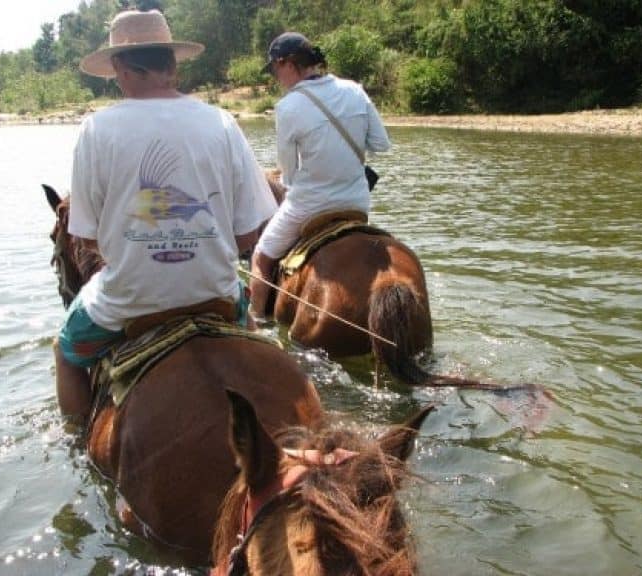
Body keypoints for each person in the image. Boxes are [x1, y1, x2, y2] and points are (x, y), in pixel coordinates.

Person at [54, 10, 277, 418]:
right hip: (217, 297)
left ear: (120, 67)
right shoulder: (222, 123)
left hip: (126, 306)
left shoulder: (96, 129)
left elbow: (85, 238)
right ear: (172, 65)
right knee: (263, 349)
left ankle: (76, 440)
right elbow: (248, 237)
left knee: (66, 353)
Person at [248, 32, 391, 320]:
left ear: (287, 63)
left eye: (275, 69)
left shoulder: (288, 106)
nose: (277, 77)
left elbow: (287, 174)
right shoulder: (354, 90)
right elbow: (381, 144)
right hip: (357, 202)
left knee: (261, 257)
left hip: (309, 204)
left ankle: (258, 325)